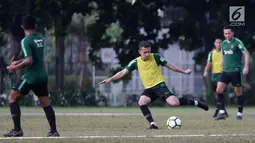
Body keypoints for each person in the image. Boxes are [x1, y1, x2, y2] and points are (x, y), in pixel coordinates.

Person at [99, 41, 209, 129]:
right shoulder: (135, 62)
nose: (147, 54)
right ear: (139, 52)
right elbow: (122, 72)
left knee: (174, 103)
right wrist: (110, 79)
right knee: (141, 102)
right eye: (145, 52)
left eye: (149, 51)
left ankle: (195, 102)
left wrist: (184, 71)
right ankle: (153, 124)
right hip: (149, 89)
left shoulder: (156, 57)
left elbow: (169, 66)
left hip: (160, 86)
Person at [3, 15, 60, 137]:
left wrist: (15, 67)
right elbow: (34, 58)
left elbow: (29, 60)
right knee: (46, 103)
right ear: (35, 26)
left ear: (22, 27)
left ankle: (17, 130)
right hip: (42, 75)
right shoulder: (39, 39)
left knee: (12, 98)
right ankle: (54, 131)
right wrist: (18, 62)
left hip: (31, 76)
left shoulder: (25, 40)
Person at [215, 26, 249, 120]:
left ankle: (239, 113)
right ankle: (222, 112)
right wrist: (221, 67)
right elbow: (223, 56)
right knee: (218, 90)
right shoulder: (224, 44)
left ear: (232, 33)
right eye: (225, 33)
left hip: (236, 71)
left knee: (238, 92)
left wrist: (246, 67)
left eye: (229, 33)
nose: (227, 35)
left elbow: (246, 53)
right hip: (225, 71)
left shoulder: (237, 42)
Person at [204, 38, 228, 118]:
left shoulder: (225, 52)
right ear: (214, 43)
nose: (219, 44)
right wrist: (206, 71)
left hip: (222, 74)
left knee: (219, 92)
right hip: (214, 75)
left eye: (220, 42)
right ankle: (222, 110)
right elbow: (209, 63)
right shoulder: (211, 53)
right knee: (216, 94)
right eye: (217, 42)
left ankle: (220, 110)